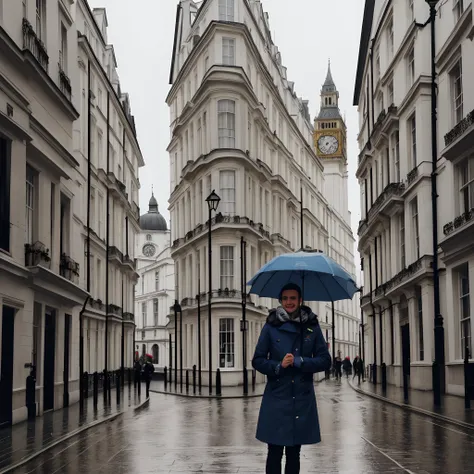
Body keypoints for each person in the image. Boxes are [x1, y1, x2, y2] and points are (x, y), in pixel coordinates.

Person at [252, 283, 331, 474]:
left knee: (294, 453)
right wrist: (279, 366)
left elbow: (325, 360)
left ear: (300, 300)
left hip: (301, 398)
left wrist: (300, 361)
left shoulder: (312, 326)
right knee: (274, 451)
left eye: (293, 298)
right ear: (280, 301)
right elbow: (258, 360)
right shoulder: (271, 326)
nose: (289, 302)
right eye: (285, 298)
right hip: (277, 397)